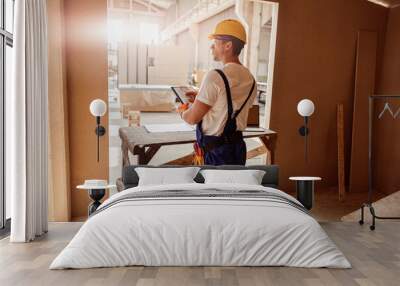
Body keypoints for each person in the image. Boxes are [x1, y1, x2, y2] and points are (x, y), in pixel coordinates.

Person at [178, 19, 257, 165]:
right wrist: (200, 98)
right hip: (237, 149)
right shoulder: (250, 79)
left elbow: (192, 118)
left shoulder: (215, 76)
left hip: (215, 154)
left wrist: (183, 111)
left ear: (228, 45)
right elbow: (229, 107)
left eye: (215, 41)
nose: (212, 46)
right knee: (234, 187)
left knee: (212, 188)